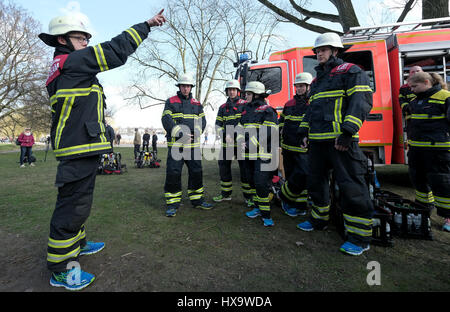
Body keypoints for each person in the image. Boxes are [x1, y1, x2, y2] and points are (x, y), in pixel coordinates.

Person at [39, 9, 166, 290]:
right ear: (63, 39)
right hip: (76, 150)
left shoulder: (67, 66)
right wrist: (145, 25)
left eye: (86, 38)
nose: (85, 42)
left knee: (79, 204)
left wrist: (105, 131)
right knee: (71, 208)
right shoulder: (73, 62)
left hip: (81, 148)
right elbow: (114, 51)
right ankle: (61, 269)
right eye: (80, 37)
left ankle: (79, 244)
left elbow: (82, 109)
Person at [296, 32, 374, 256]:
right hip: (318, 143)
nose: (319, 53)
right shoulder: (317, 80)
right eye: (317, 50)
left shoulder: (351, 72)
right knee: (316, 182)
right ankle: (318, 220)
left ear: (335, 51)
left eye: (323, 49)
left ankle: (359, 237)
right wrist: (304, 132)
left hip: (341, 143)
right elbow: (312, 109)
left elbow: (361, 102)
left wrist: (348, 133)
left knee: (351, 185)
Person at [162, 73, 213, 217]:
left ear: (191, 87)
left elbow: (202, 121)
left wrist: (196, 134)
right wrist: (181, 134)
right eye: (183, 86)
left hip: (193, 147)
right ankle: (172, 203)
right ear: (179, 86)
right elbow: (166, 120)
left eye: (188, 86)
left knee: (197, 172)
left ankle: (197, 200)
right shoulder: (170, 101)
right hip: (176, 146)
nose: (186, 89)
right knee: (173, 173)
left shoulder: (197, 104)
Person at [406, 72, 450, 232]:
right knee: (418, 180)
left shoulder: (445, 97)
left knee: (442, 183)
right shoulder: (415, 101)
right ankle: (423, 210)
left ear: (426, 82)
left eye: (414, 86)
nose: (412, 90)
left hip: (438, 151)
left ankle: (448, 217)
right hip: (417, 150)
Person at [237, 81, 278, 227]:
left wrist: (249, 143)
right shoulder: (245, 110)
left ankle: (266, 214)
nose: (245, 96)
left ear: (256, 95)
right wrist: (240, 140)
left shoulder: (268, 110)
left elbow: (268, 131)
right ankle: (257, 208)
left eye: (248, 94)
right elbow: (239, 128)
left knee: (261, 183)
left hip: (263, 154)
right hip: (248, 154)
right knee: (252, 181)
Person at [278, 73, 312, 217]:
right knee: (291, 175)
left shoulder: (313, 102)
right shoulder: (289, 104)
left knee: (303, 175)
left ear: (308, 87)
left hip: (303, 148)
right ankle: (296, 205)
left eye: (302, 86)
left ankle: (284, 197)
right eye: (297, 86)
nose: (299, 89)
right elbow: (281, 122)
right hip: (287, 147)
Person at [213, 79, 251, 204]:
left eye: (234, 89)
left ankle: (248, 197)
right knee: (224, 168)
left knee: (245, 170)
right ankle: (225, 194)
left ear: (238, 91)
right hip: (227, 144)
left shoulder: (245, 104)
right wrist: (223, 135)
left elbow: (246, 122)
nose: (231, 92)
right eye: (229, 90)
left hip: (241, 144)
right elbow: (218, 124)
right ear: (227, 91)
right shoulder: (222, 107)